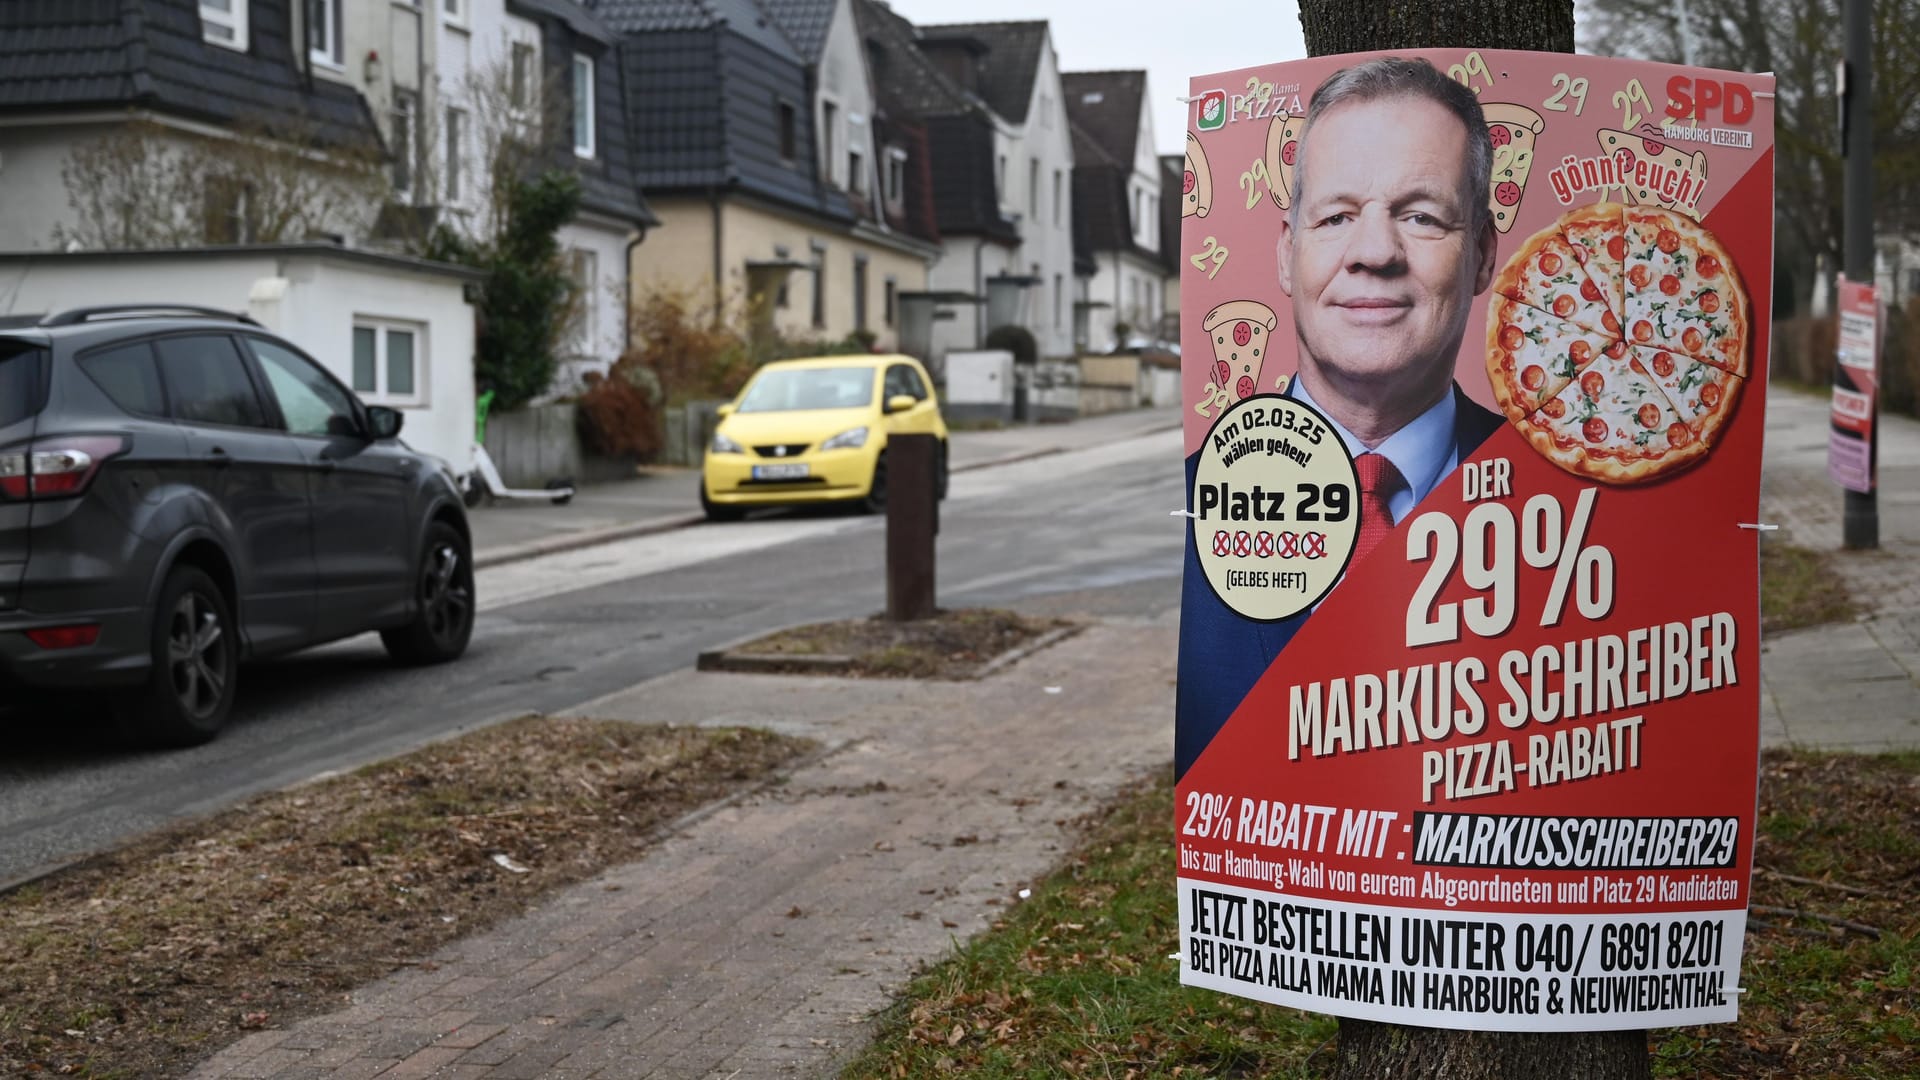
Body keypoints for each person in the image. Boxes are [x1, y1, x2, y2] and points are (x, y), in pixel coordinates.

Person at [1177, 57, 1505, 778]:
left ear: (1481, 257)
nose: (1374, 253)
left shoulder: (1578, 504)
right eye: (1336, 217)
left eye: (1421, 216)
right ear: (1288, 254)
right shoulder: (1191, 500)